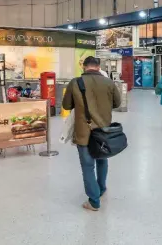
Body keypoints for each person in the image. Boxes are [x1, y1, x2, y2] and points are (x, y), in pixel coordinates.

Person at [62, 56, 121, 211]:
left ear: (84, 67)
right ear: (98, 66)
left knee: (88, 166)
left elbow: (66, 105)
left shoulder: (75, 83)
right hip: (103, 131)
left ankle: (94, 201)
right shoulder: (109, 83)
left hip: (84, 132)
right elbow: (117, 103)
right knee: (102, 160)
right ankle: (101, 188)